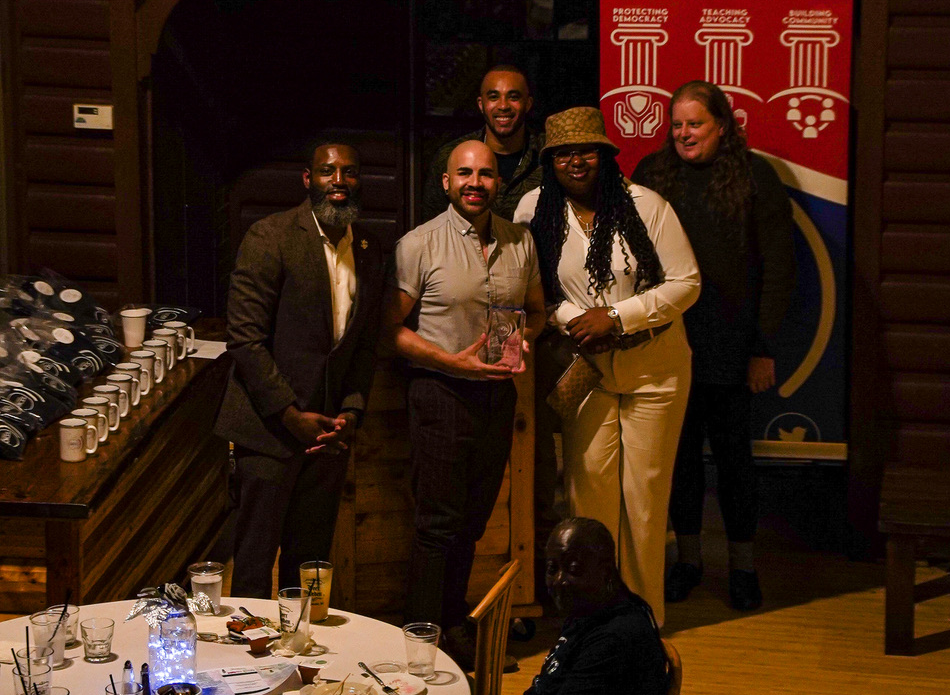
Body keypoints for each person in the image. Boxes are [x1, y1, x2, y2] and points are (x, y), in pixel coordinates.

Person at [515, 107, 700, 627]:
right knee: (588, 493)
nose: (577, 161)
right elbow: (531, 288)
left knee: (644, 499)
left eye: (587, 150)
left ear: (606, 154)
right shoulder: (534, 209)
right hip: (584, 371)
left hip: (655, 369)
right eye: (564, 153)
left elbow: (686, 282)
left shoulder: (646, 204)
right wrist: (576, 319)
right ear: (550, 161)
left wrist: (617, 317)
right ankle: (594, 616)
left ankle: (642, 619)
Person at [631, 80, 796, 611]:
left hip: (733, 345)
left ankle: (743, 568)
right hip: (668, 341)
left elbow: (779, 267)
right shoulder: (652, 176)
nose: (684, 133)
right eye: (676, 124)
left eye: (695, 123)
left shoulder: (756, 178)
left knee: (733, 461)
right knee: (678, 461)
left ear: (722, 126)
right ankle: (689, 561)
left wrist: (762, 347)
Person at [383, 140, 546, 666]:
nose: (476, 182)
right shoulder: (419, 244)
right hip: (440, 393)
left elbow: (538, 312)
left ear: (499, 182)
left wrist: (526, 339)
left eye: (487, 174)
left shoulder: (521, 242)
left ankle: (454, 628)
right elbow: (391, 331)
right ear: (448, 183)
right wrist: (451, 362)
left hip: (496, 396)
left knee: (473, 522)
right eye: (465, 174)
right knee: (438, 524)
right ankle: (421, 644)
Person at [215, 141, 385, 599]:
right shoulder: (271, 236)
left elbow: (363, 347)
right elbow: (245, 340)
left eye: (349, 172)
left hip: (327, 436)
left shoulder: (368, 249)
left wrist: (351, 412)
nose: (340, 181)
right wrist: (291, 416)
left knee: (309, 567)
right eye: (328, 171)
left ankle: (298, 655)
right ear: (309, 179)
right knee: (252, 565)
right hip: (269, 431)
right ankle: (244, 666)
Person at [478, 518, 669, 695]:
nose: (560, 581)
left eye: (573, 569)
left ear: (606, 571)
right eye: (552, 569)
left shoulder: (615, 639)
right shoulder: (585, 611)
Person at [421, 65, 543, 224]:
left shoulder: (547, 154)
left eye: (513, 97)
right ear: (481, 104)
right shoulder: (452, 155)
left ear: (527, 103)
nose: (503, 106)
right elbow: (432, 224)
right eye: (494, 97)